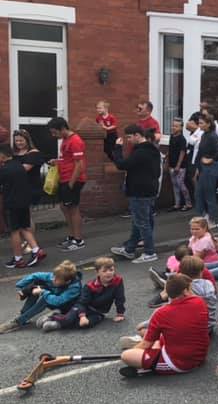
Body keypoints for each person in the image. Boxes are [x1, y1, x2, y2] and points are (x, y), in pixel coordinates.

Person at [119, 273, 208, 377]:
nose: (193, 292)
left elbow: (145, 345)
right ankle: (150, 351)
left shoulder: (161, 313)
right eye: (191, 289)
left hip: (179, 363)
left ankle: (147, 364)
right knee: (153, 335)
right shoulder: (200, 302)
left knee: (126, 355)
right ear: (185, 291)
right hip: (200, 357)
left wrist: (136, 350)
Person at [108, 125, 162, 263]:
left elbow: (122, 164)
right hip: (149, 190)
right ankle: (130, 249)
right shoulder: (152, 150)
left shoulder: (141, 152)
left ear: (137, 135)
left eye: (129, 137)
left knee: (142, 222)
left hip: (140, 191)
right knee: (139, 221)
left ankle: (150, 252)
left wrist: (118, 149)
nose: (128, 140)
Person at [44, 256, 125, 332]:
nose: (109, 273)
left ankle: (59, 324)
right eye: (104, 271)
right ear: (97, 272)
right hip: (84, 307)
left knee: (87, 324)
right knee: (69, 319)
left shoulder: (117, 281)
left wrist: (120, 314)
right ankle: (54, 316)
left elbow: (120, 298)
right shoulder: (90, 286)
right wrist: (82, 316)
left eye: (111, 270)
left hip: (98, 312)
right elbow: (81, 303)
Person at [0, 259, 82, 334]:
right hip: (56, 299)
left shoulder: (75, 288)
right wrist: (20, 286)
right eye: (54, 276)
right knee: (37, 285)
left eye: (57, 279)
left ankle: (17, 322)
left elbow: (57, 301)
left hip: (67, 308)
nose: (53, 279)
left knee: (45, 298)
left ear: (67, 281)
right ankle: (23, 315)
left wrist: (43, 292)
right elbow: (36, 275)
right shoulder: (58, 276)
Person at [0, 144, 43, 268]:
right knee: (24, 227)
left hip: (12, 203)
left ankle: (18, 259)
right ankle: (36, 250)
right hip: (24, 201)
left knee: (14, 231)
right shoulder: (19, 166)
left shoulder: (4, 170)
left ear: (2, 156)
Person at [47, 117, 86, 251]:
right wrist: (57, 162)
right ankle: (72, 236)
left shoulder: (75, 140)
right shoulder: (65, 140)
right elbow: (68, 159)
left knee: (73, 209)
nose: (53, 135)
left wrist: (71, 183)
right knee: (65, 207)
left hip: (73, 180)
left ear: (63, 128)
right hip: (65, 178)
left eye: (55, 132)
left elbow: (79, 164)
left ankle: (78, 240)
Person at [194, 115, 218, 221]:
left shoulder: (212, 136)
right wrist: (197, 168)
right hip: (202, 169)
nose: (199, 125)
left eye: (202, 123)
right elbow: (200, 153)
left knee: (209, 195)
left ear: (208, 124)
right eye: (199, 123)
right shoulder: (204, 135)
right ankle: (201, 218)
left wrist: (211, 159)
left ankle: (212, 219)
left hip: (210, 169)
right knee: (199, 194)